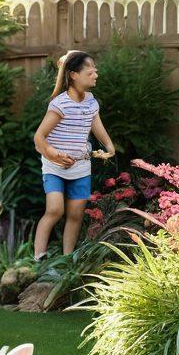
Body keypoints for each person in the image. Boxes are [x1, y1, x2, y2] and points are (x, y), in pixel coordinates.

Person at [32, 50, 116, 260]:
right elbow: (39, 137)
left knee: (76, 214)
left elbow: (97, 127)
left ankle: (66, 260)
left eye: (95, 71)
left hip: (80, 165)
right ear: (73, 75)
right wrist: (54, 154)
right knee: (54, 210)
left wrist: (109, 147)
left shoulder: (90, 102)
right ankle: (38, 258)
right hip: (54, 166)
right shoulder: (60, 104)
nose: (95, 75)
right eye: (90, 72)